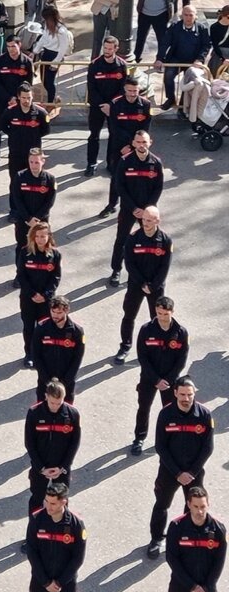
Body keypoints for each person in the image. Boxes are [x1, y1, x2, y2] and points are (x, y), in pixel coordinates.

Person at [149, 376, 215, 559]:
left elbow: (207, 447)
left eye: (190, 394)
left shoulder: (204, 415)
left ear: (195, 394)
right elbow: (160, 446)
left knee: (193, 508)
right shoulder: (166, 414)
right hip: (170, 471)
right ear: (175, 393)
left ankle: (188, 540)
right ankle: (156, 540)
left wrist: (191, 473)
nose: (186, 398)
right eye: (182, 394)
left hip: (194, 473)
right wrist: (178, 473)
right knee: (161, 505)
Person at [115, 206, 172, 365]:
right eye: (144, 219)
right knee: (129, 316)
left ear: (157, 221)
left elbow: (164, 266)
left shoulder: (165, 240)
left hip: (156, 286)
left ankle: (156, 349)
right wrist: (141, 283)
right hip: (136, 285)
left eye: (149, 220)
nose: (145, 223)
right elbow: (130, 264)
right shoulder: (133, 238)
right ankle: (125, 346)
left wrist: (153, 286)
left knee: (157, 318)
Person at [131, 297, 188, 455]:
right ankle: (139, 438)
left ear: (172, 312)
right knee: (143, 408)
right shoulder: (146, 329)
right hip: (149, 378)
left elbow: (181, 359)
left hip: (170, 380)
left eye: (165, 313)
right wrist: (156, 379)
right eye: (159, 313)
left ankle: (168, 440)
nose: (161, 317)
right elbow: (142, 357)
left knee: (169, 411)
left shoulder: (180, 332)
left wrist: (168, 380)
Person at [107, 131, 163, 287]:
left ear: (150, 142)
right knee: (122, 240)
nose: (141, 145)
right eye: (138, 142)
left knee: (151, 242)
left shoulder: (156, 163)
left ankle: (150, 273)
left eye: (144, 142)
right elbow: (120, 186)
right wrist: (133, 208)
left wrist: (147, 209)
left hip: (148, 211)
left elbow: (158, 187)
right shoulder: (125, 161)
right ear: (133, 143)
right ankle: (116, 270)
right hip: (129, 209)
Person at [23, 379, 81, 518]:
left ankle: (59, 531)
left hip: (61, 468)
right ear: (46, 396)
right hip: (40, 468)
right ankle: (33, 536)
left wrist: (63, 467)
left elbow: (75, 443)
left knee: (61, 503)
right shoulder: (34, 413)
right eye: (52, 402)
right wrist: (41, 468)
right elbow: (29, 443)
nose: (55, 406)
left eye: (59, 403)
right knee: (37, 501)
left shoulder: (72, 414)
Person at [15, 223, 61, 367]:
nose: (40, 239)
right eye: (37, 236)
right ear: (32, 237)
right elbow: (21, 276)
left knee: (44, 328)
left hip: (46, 300)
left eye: (43, 236)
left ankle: (42, 354)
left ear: (48, 237)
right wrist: (33, 294)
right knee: (29, 327)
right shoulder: (25, 252)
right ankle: (29, 353)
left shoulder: (55, 254)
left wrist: (45, 295)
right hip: (28, 298)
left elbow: (56, 277)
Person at [0, 37, 34, 168]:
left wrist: (18, 98)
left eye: (13, 46)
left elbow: (28, 84)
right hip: (3, 101)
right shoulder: (0, 60)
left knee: (18, 130)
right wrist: (9, 98)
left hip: (20, 102)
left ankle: (15, 155)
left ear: (20, 45)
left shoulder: (27, 62)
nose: (11, 49)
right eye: (8, 46)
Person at [9, 149, 56, 278]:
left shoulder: (50, 179)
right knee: (22, 247)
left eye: (36, 162)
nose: (33, 165)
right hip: (23, 221)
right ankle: (20, 275)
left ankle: (39, 276)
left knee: (42, 247)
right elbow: (17, 199)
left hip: (41, 223)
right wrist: (28, 218)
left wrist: (37, 219)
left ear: (43, 162)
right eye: (31, 162)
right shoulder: (19, 177)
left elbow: (50, 202)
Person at [0, 83, 57, 177]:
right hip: (16, 152)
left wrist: (34, 136)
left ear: (32, 97)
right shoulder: (10, 112)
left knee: (33, 180)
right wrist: (13, 135)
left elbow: (46, 130)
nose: (26, 100)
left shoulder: (41, 113)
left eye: (29, 97)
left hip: (33, 154)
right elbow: (3, 126)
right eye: (23, 97)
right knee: (15, 179)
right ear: (18, 97)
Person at [31, 296, 85, 403]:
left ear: (67, 311)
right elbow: (36, 354)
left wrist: (65, 382)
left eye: (59, 312)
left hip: (67, 382)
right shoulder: (41, 329)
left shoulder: (77, 332)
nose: (55, 315)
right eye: (53, 311)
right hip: (45, 379)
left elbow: (77, 358)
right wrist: (46, 380)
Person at [157, 5, 211, 112]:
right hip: (176, 58)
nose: (188, 18)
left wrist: (199, 59)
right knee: (168, 76)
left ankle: (183, 105)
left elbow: (206, 45)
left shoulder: (202, 29)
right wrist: (159, 58)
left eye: (191, 15)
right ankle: (171, 98)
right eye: (185, 15)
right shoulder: (174, 27)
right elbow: (165, 43)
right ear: (182, 16)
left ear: (195, 16)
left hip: (193, 61)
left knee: (189, 82)